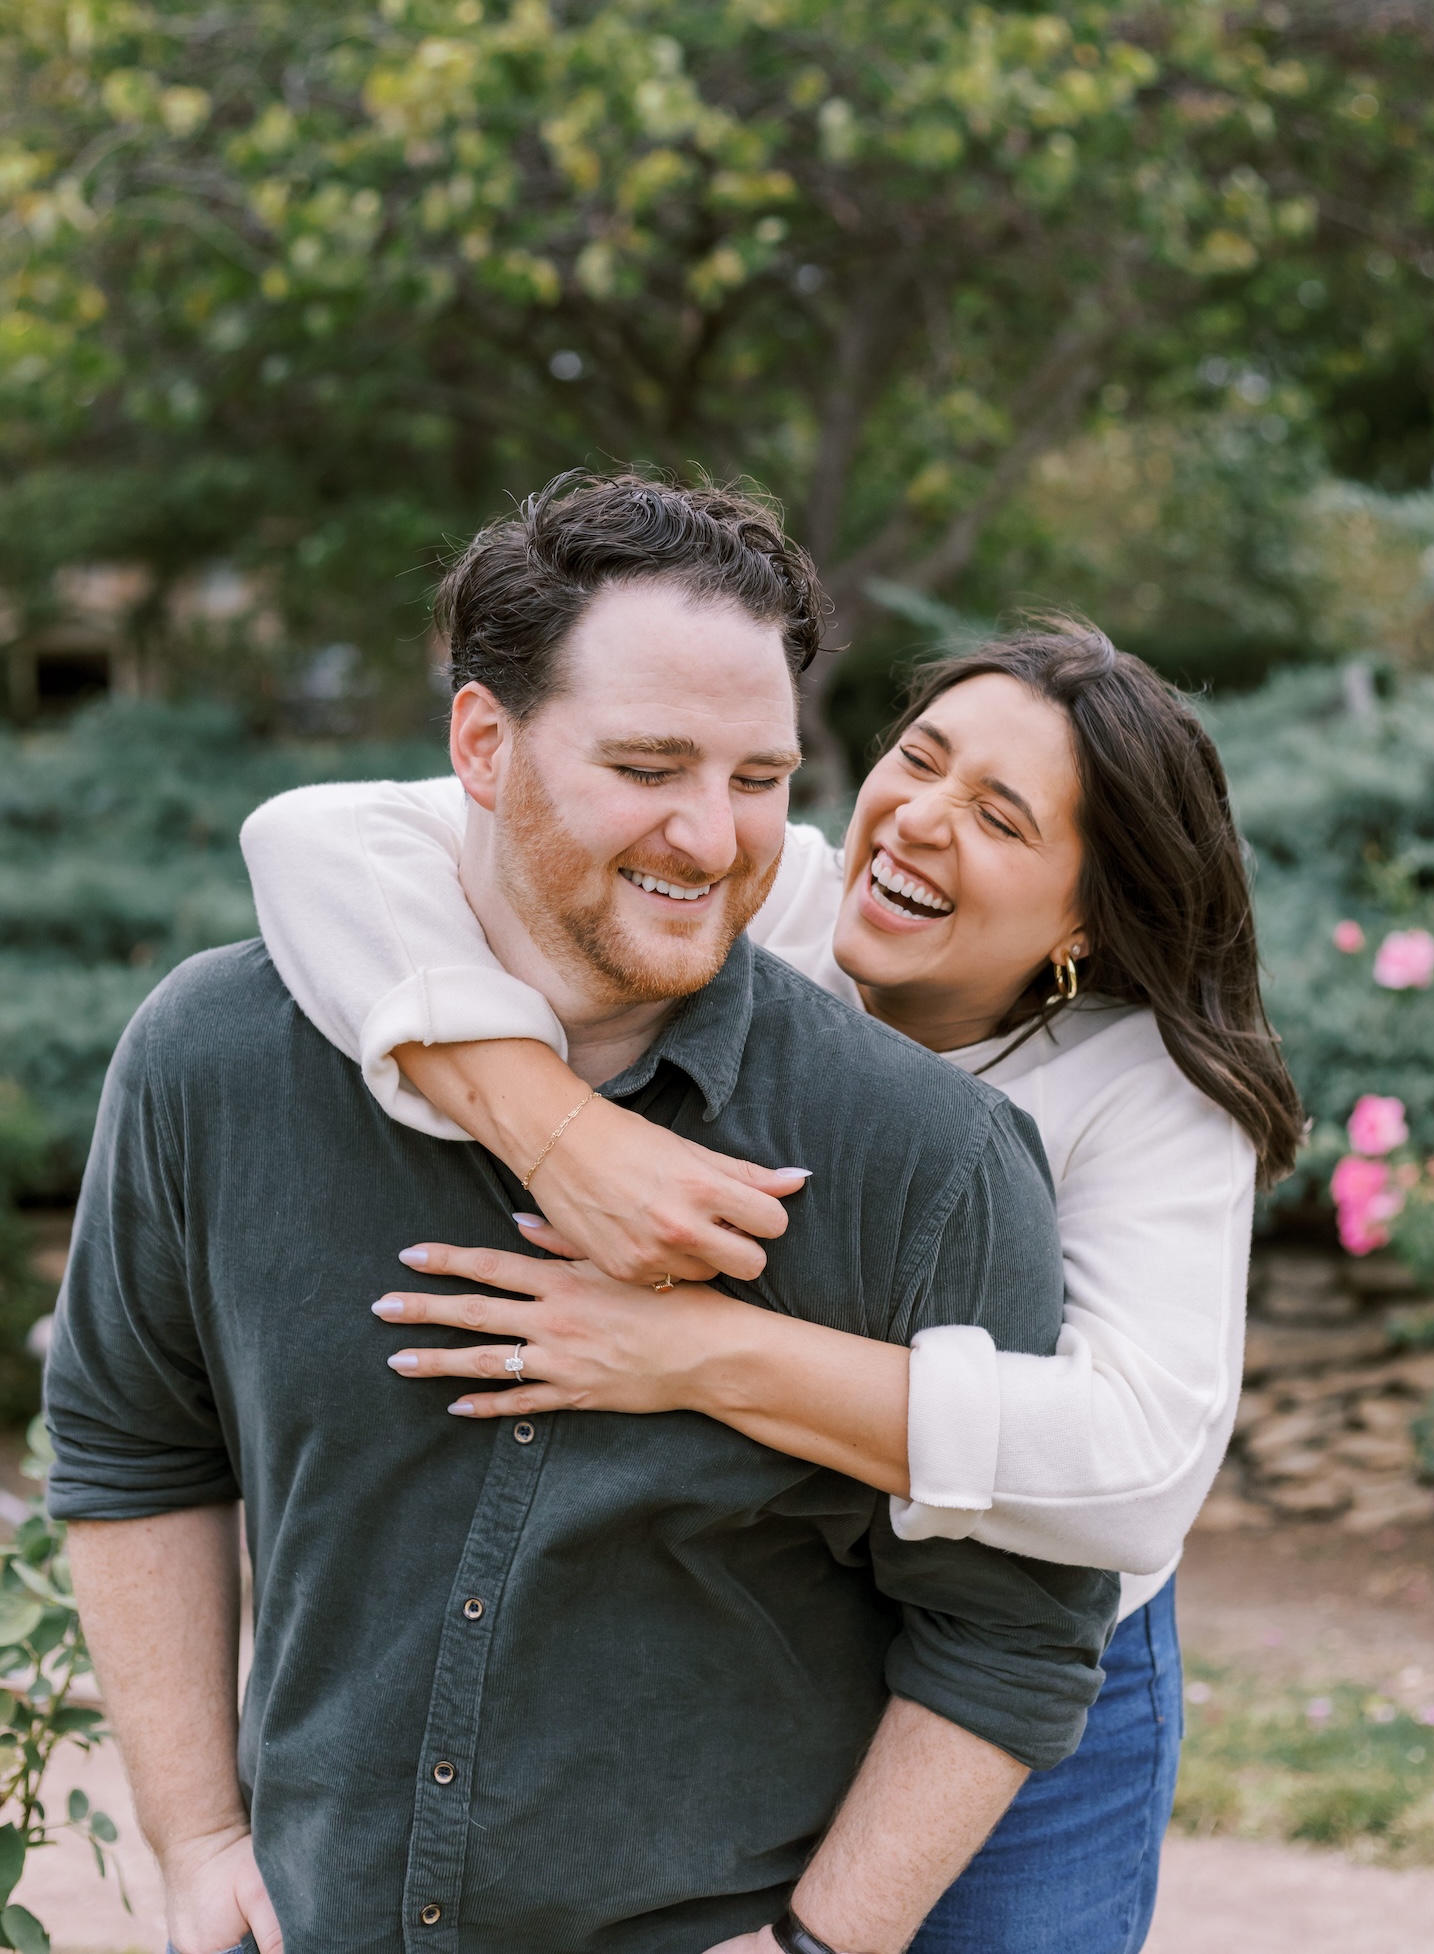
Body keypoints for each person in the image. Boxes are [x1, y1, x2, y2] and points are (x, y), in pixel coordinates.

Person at [45, 476, 1116, 1954]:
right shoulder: (211, 1061)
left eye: (757, 777)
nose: (715, 834)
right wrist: (197, 1834)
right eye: (650, 763)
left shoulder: (924, 1158)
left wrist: (820, 1945)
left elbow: (1013, 1625)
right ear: (482, 743)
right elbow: (131, 1441)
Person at [241, 606, 1304, 1954]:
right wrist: (556, 1131)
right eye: (917, 759)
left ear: (1089, 915)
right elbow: (316, 837)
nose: (918, 819)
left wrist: (690, 1352)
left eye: (1000, 816)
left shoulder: (1150, 1091)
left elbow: (1135, 1467)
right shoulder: (776, 897)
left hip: (1025, 1683)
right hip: (775, 1612)